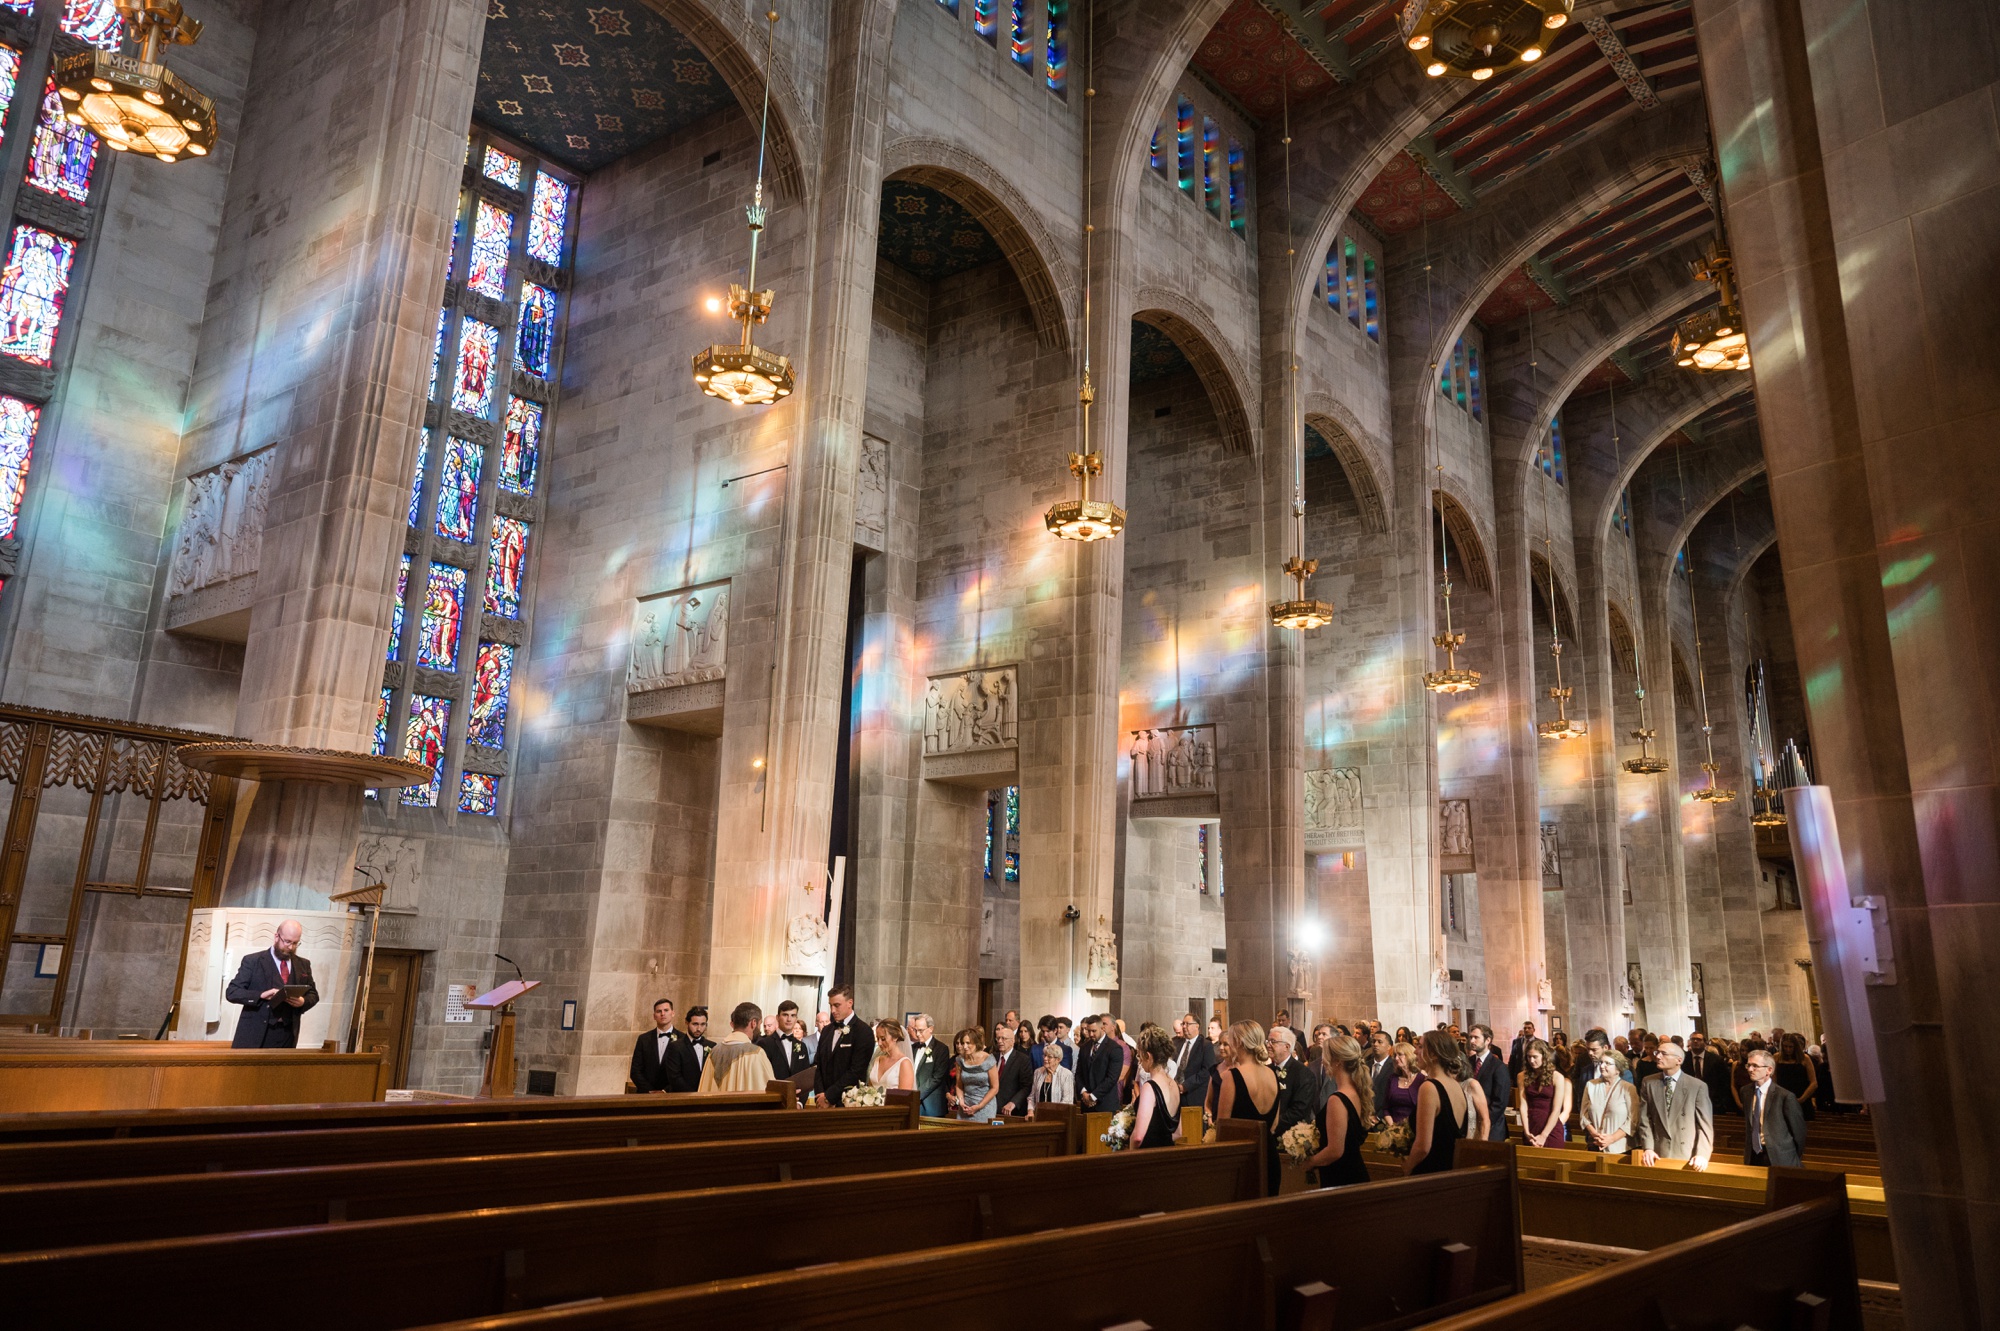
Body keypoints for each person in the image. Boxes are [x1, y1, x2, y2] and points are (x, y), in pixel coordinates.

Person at [225, 920, 319, 1048]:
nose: (291, 947)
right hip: (255, 1035)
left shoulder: (303, 964)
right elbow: (232, 992)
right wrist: (261, 995)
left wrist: (303, 1002)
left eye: (295, 943)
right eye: (287, 941)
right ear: (276, 937)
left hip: (287, 1035)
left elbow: (313, 994)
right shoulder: (253, 961)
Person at [1213, 1019, 1282, 1191]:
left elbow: (1223, 1126)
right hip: (1269, 1155)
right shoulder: (1272, 1073)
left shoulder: (1233, 1076)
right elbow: (1274, 1124)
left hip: (1242, 1159)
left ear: (1239, 1043)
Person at [1306, 1034, 1373, 1188]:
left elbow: (1335, 1150)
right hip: (1353, 1171)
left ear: (1337, 1062)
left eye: (1326, 1056)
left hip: (1341, 1177)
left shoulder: (1337, 1099)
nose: (1323, 1061)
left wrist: (1309, 1162)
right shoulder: (1357, 1091)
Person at [1636, 1040, 1713, 1169]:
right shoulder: (1649, 1082)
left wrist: (1702, 1154)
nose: (1658, 1056)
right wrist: (1648, 1147)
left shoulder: (1696, 1086)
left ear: (1679, 1060)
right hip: (1657, 1153)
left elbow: (1705, 1125)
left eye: (1663, 1053)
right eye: (1657, 1052)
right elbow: (1644, 1119)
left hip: (1686, 1154)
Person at [1405, 1030, 1468, 1176]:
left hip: (1430, 1172)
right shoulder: (1455, 1084)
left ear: (1433, 1055)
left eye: (1420, 1047)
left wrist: (1407, 1167)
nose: (1415, 1051)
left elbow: (1423, 1146)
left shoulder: (1429, 1087)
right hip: (1449, 1169)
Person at [1741, 1046, 1807, 1166]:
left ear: (1769, 1070)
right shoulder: (1746, 1092)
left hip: (1779, 1156)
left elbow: (1799, 1133)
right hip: (1754, 1155)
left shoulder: (1785, 1096)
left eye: (1755, 1066)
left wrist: (1791, 1155)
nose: (1750, 1069)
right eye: (1748, 1065)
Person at [812, 983, 873, 1106]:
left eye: (837, 1005)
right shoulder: (827, 1030)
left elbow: (856, 1071)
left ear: (850, 1003)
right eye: (830, 1005)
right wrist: (820, 1095)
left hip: (848, 1102)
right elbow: (819, 1066)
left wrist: (829, 1096)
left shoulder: (863, 1031)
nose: (832, 1010)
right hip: (822, 1102)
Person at [698, 1001, 777, 1092]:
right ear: (753, 1023)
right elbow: (769, 1091)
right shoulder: (756, 1053)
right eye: (760, 1024)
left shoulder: (714, 1051)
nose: (760, 1029)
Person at [630, 997, 700, 1093]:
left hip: (673, 1094)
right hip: (645, 1095)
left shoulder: (684, 1039)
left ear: (673, 1013)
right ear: (654, 1016)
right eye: (659, 1011)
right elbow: (635, 1071)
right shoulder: (643, 1039)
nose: (663, 1014)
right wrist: (649, 1091)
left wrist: (665, 1091)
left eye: (666, 1010)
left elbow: (685, 1074)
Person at [1130, 1026, 1182, 1148]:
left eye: (1139, 1056)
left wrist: (1129, 1155)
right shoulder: (1173, 1084)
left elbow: (1138, 1137)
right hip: (1167, 1153)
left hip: (1149, 1155)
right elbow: (1178, 1132)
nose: (1140, 1062)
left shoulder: (1150, 1087)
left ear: (1148, 1056)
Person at [1578, 1050, 1638, 1154]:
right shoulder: (1591, 1085)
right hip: (1595, 1144)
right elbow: (1584, 1114)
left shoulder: (1628, 1088)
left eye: (1607, 1063)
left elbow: (1633, 1120)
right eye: (1601, 1062)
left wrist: (1612, 1138)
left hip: (1621, 1148)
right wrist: (1595, 1134)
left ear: (1618, 1069)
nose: (1602, 1066)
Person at [1515, 1038, 1569, 1147]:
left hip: (1551, 1127)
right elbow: (1523, 1105)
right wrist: (1526, 1131)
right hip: (1531, 1125)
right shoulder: (1521, 1076)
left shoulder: (1557, 1077)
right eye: (1529, 1057)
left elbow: (1556, 1109)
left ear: (1544, 1057)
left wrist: (1544, 1135)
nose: (1531, 1060)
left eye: (1535, 1057)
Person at [1266, 1024, 1316, 1138]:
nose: (1268, 1045)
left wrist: (1273, 1124)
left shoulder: (1303, 1073)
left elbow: (1300, 1110)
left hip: (1290, 1134)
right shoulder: (1267, 1070)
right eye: (1267, 1041)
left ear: (1287, 1046)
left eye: (1273, 1041)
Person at [1465, 1024, 1510, 1142]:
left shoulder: (1498, 1066)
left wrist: (1483, 1121)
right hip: (1470, 1124)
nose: (1472, 1041)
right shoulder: (1468, 1063)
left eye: (1476, 1037)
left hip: (1492, 1127)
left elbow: (1499, 1102)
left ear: (1487, 1040)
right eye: (1470, 1037)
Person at [949, 1026, 999, 1121]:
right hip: (965, 1106)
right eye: (963, 1043)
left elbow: (995, 1088)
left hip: (985, 1106)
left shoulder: (988, 1059)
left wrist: (980, 1106)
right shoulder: (960, 1060)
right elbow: (959, 1085)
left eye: (968, 1043)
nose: (964, 1046)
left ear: (976, 1043)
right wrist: (961, 1102)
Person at [1076, 1014, 1125, 1112]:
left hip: (1105, 1104)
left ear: (1102, 1028)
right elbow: (1078, 1073)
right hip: (1086, 1104)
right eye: (1088, 1031)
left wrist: (1093, 1096)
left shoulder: (1114, 1048)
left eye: (1094, 1031)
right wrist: (1084, 1092)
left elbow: (1112, 1078)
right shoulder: (1084, 1047)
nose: (1090, 1034)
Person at [907, 1013, 951, 1117]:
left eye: (921, 1030)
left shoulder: (941, 1049)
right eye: (915, 1030)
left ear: (931, 1029)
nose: (917, 1034)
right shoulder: (913, 1048)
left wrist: (917, 1095)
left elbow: (937, 1077)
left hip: (931, 1104)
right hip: (913, 1103)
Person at [756, 1000, 812, 1081]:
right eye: (785, 1015)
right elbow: (761, 1075)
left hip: (797, 1093)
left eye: (793, 1015)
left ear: (796, 1018)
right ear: (777, 1017)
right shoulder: (765, 1044)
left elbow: (806, 1075)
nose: (789, 1019)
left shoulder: (802, 1046)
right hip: (773, 1092)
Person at [1172, 1013, 1218, 1102]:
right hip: (1175, 1094)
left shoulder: (1205, 1045)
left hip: (1193, 1095)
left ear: (1197, 1026)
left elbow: (1207, 1071)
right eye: (1183, 1024)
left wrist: (1185, 1086)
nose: (1184, 1027)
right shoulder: (1177, 1043)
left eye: (1187, 1024)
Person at [1774, 1033, 1819, 1120]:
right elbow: (1773, 1082)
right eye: (1785, 1046)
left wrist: (1801, 1099)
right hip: (1783, 1100)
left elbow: (1814, 1083)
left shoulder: (1804, 1058)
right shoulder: (1776, 1058)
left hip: (1802, 1098)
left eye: (1791, 1047)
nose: (1788, 1049)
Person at [994, 1021, 1035, 1117]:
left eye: (1003, 1038)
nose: (1000, 1041)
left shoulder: (1022, 1059)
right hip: (992, 1108)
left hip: (1012, 1111)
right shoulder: (992, 1058)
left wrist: (1013, 1103)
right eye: (998, 1038)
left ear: (1012, 1041)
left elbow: (1026, 1087)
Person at [1379, 1041, 1425, 1126]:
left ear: (1409, 1056)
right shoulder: (1392, 1078)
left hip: (1415, 1128)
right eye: (1395, 1055)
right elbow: (1385, 1108)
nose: (1396, 1058)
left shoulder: (1422, 1079)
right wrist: (1393, 1127)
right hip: (1393, 1129)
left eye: (1400, 1054)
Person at [866, 1018, 916, 1092]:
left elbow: (905, 1098)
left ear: (895, 1037)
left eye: (883, 1039)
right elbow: (870, 1090)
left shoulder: (904, 1063)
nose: (879, 1043)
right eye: (877, 1038)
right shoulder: (878, 1060)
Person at [1028, 1039, 1073, 1115]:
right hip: (1038, 1116)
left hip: (1058, 1117)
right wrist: (1030, 1111)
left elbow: (1067, 1101)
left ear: (1058, 1059)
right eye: (1044, 1055)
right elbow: (1032, 1097)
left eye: (1049, 1057)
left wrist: (1052, 1115)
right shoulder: (1038, 1072)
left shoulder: (1066, 1074)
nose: (1045, 1059)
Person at [684, 1006, 715, 1075]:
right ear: (686, 1023)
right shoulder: (676, 1047)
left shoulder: (712, 1046)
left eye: (702, 1024)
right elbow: (674, 1076)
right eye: (695, 1024)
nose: (699, 1028)